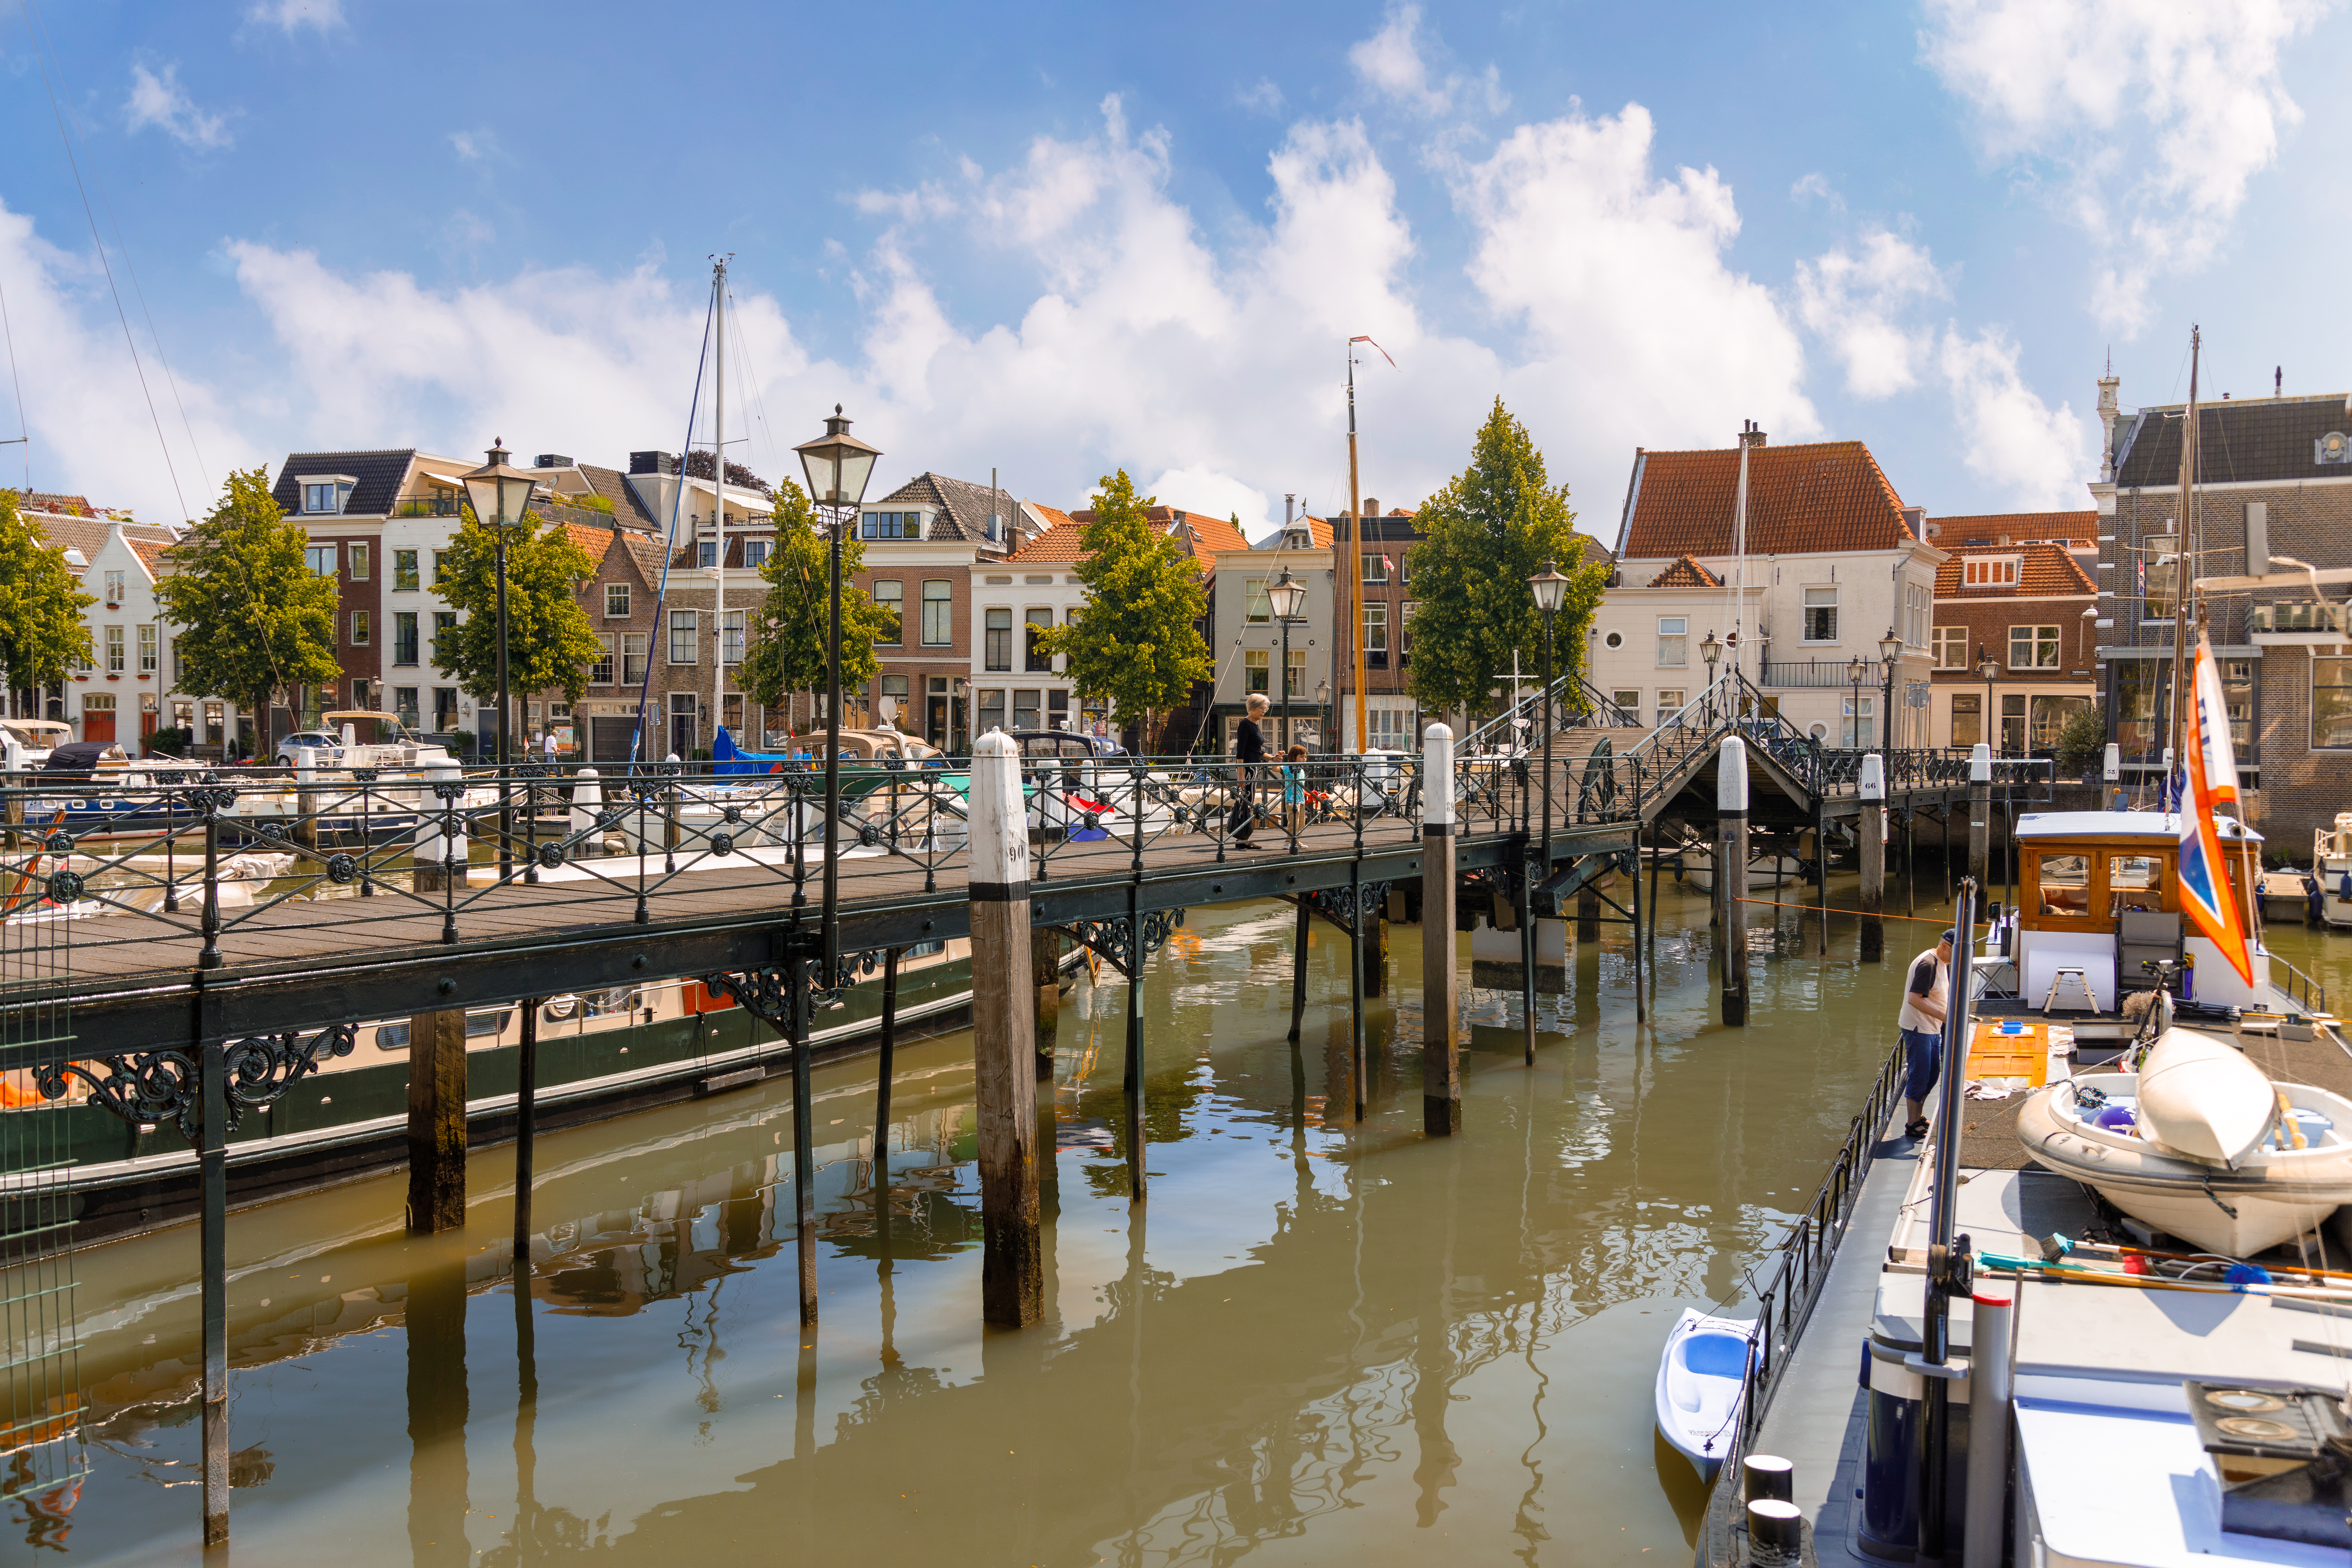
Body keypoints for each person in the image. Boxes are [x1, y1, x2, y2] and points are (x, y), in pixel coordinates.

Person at [1898, 929, 1954, 1140]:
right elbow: (1914, 999)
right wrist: (1945, 1016)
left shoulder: (1942, 963)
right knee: (1920, 1075)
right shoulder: (1928, 964)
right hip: (1919, 1029)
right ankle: (1912, 1124)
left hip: (1932, 1028)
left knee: (1932, 1074)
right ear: (1945, 946)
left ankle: (1918, 1115)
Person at [1228, 692, 1269, 845]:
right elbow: (1241, 750)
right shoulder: (1245, 724)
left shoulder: (1256, 725)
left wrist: (1273, 758)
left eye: (1266, 708)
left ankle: (1244, 837)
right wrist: (1241, 774)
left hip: (1254, 768)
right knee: (1245, 801)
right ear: (1253, 707)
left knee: (1249, 801)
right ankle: (1242, 838)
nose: (1264, 711)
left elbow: (1257, 751)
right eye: (1262, 708)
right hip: (1247, 770)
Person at [1280, 744, 1307, 838]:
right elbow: (1275, 769)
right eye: (1301, 757)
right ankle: (1288, 842)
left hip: (1302, 800)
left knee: (1301, 823)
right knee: (1293, 823)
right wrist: (1279, 759)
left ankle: (1297, 841)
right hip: (1292, 800)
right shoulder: (1289, 768)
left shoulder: (1302, 770)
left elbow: (1302, 786)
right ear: (1293, 757)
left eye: (1305, 757)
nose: (1304, 759)